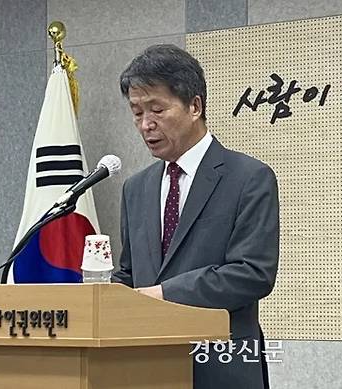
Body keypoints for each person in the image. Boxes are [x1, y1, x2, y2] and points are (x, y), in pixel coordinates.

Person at [112, 44, 280, 389]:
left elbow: (252, 274)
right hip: (144, 369)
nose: (146, 124)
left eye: (157, 109)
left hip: (220, 367)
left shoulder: (248, 177)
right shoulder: (136, 188)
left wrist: (162, 293)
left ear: (194, 106)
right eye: (136, 112)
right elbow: (129, 274)